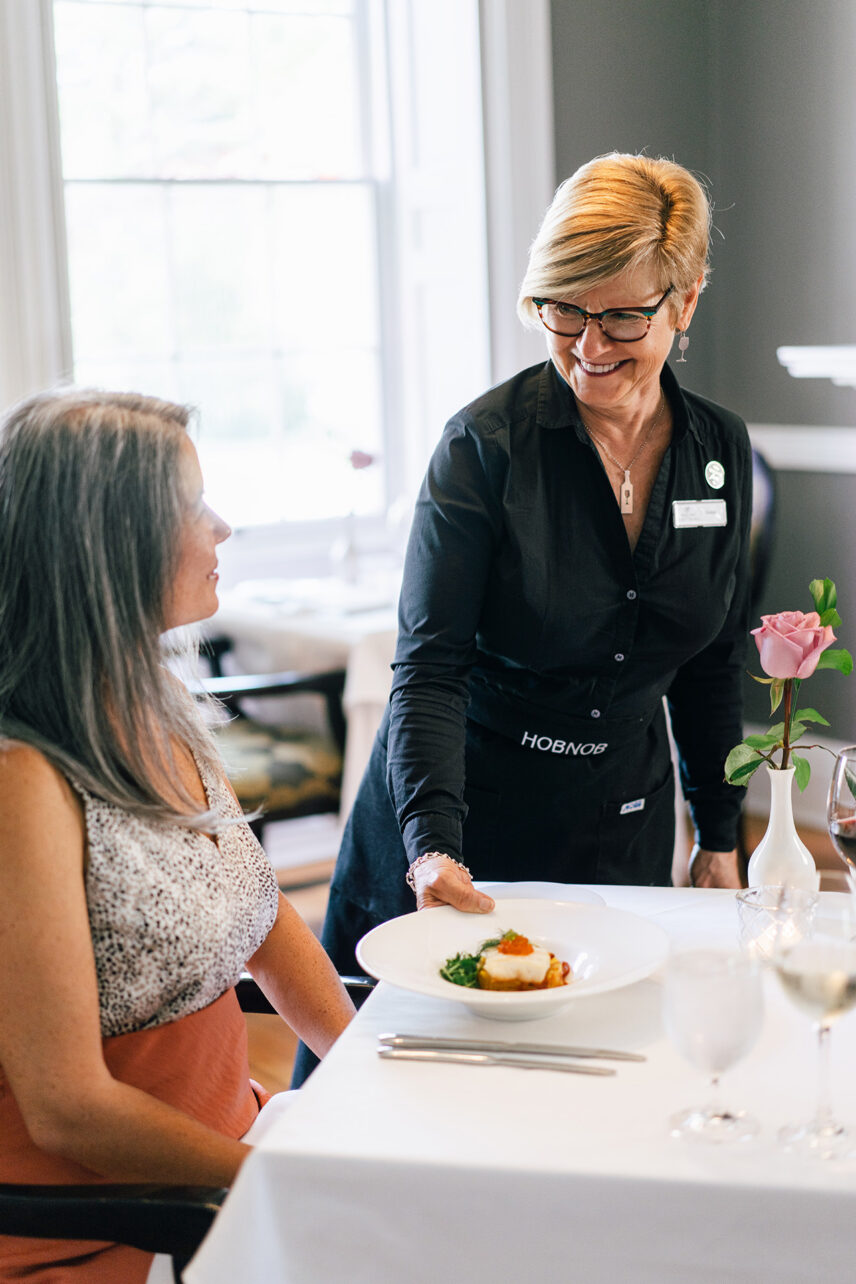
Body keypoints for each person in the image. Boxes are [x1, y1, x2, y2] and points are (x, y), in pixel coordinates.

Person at [294, 150, 753, 1084]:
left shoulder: (718, 449)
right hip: (465, 821)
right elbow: (428, 669)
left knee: (599, 1082)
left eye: (624, 314)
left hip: (619, 822)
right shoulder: (483, 448)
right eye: (565, 311)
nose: (589, 346)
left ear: (687, 300)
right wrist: (432, 848)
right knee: (402, 1092)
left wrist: (718, 835)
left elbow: (706, 660)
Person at [0, 389, 356, 1282]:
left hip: (226, 1156)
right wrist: (276, 1182)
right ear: (109, 547)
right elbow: (67, 1109)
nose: (222, 528)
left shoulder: (159, 703)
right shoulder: (21, 780)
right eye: (193, 507)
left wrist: (365, 1085)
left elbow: (262, 916)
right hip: (108, 1224)